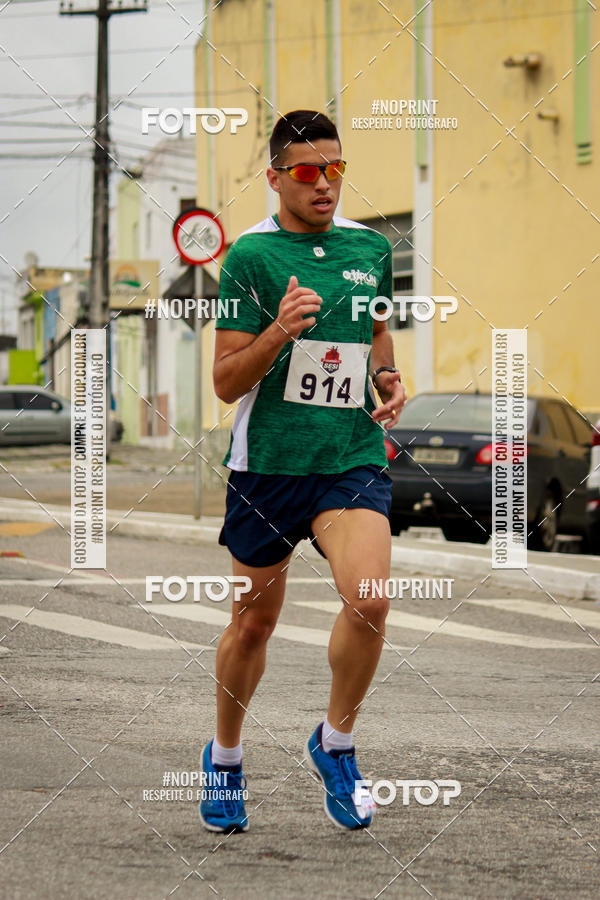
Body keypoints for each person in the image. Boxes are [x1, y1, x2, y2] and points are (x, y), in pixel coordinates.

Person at [200, 109, 407, 833]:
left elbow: (377, 330)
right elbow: (225, 383)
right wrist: (282, 330)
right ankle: (225, 758)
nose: (326, 185)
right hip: (270, 468)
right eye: (309, 172)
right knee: (253, 624)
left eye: (336, 169)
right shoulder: (250, 259)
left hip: (347, 457)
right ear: (276, 178)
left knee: (371, 600)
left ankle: (336, 742)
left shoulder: (369, 248)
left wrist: (389, 378)